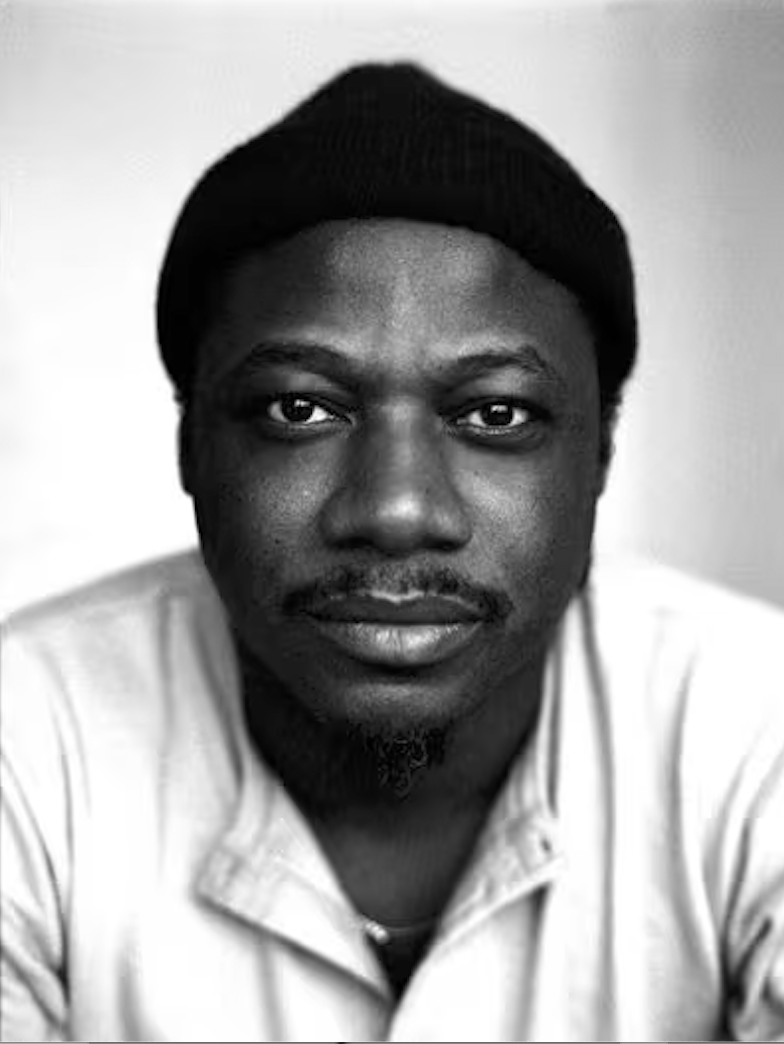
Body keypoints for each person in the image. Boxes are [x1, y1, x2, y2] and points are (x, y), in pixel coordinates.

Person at [1, 62, 783, 1044]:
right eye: (299, 408)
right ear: (189, 445)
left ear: (600, 455)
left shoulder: (755, 730)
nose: (399, 509)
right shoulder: (26, 743)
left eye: (495, 414)